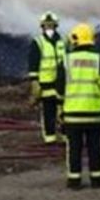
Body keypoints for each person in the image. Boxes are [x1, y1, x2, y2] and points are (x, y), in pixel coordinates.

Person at [59, 23, 100, 190]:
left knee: (74, 149)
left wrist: (61, 107)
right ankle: (97, 179)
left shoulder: (66, 60)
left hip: (72, 113)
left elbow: (59, 87)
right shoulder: (99, 59)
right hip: (95, 112)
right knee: (95, 147)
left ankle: (74, 180)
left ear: (74, 40)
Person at [27, 11, 65, 144]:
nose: (49, 28)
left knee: (64, 111)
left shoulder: (63, 42)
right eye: (46, 25)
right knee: (49, 111)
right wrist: (34, 82)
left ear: (56, 26)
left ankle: (65, 136)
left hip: (62, 83)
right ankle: (50, 137)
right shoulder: (38, 42)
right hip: (46, 83)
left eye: (51, 25)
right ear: (42, 27)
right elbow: (33, 63)